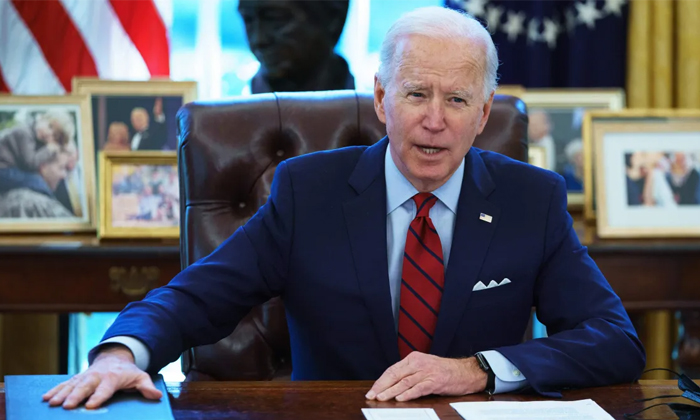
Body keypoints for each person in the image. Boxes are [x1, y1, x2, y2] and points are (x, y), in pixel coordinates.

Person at [44, 6, 645, 410]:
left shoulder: (529, 199)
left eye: (457, 99)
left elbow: (614, 339)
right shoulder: (309, 192)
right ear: (383, 99)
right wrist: (124, 353)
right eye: (416, 94)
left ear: (484, 115)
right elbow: (196, 296)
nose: (435, 119)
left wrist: (481, 369)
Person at [238, 0, 354, 93]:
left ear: (333, 19)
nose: (258, 40)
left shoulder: (367, 111)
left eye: (275, 18)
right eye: (248, 20)